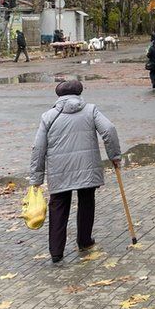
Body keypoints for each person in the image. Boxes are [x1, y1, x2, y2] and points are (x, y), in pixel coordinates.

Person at [29, 80, 121, 262]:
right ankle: (84, 241)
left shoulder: (48, 116)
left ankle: (56, 252)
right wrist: (115, 156)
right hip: (87, 168)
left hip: (59, 171)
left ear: (59, 96)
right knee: (86, 202)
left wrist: (36, 177)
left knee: (59, 207)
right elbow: (109, 130)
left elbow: (38, 148)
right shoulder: (90, 110)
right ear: (79, 93)